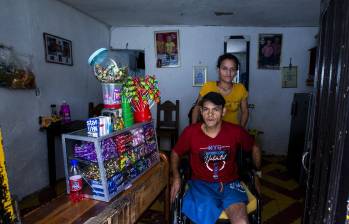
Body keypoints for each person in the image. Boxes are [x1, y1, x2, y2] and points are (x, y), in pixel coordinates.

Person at [171, 92, 261, 224]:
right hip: (201, 184)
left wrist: (257, 172)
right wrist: (176, 177)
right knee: (204, 218)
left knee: (241, 220)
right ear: (201, 111)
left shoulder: (235, 131)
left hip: (230, 184)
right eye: (206, 109)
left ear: (223, 111)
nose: (210, 114)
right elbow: (175, 152)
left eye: (215, 110)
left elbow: (255, 147)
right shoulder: (190, 132)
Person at [191, 53, 249, 128]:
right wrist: (192, 129)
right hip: (209, 130)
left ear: (236, 72)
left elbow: (245, 111)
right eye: (224, 68)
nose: (228, 73)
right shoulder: (208, 86)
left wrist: (241, 130)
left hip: (231, 132)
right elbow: (197, 108)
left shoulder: (241, 88)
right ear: (218, 70)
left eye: (232, 69)